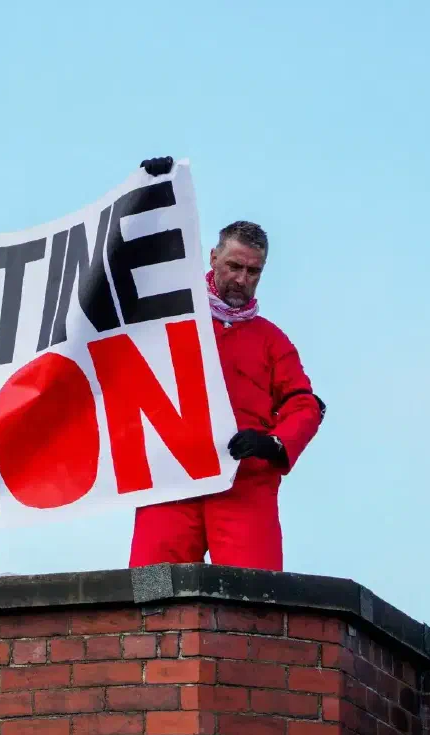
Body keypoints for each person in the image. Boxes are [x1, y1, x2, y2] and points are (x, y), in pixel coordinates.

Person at [129, 157, 325, 571]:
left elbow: (304, 405)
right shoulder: (171, 313)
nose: (242, 278)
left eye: (253, 271)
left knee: (256, 600)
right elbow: (135, 267)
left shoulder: (272, 339)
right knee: (149, 593)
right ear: (213, 257)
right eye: (234, 266)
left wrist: (274, 443)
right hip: (172, 477)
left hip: (245, 483)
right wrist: (154, 192)